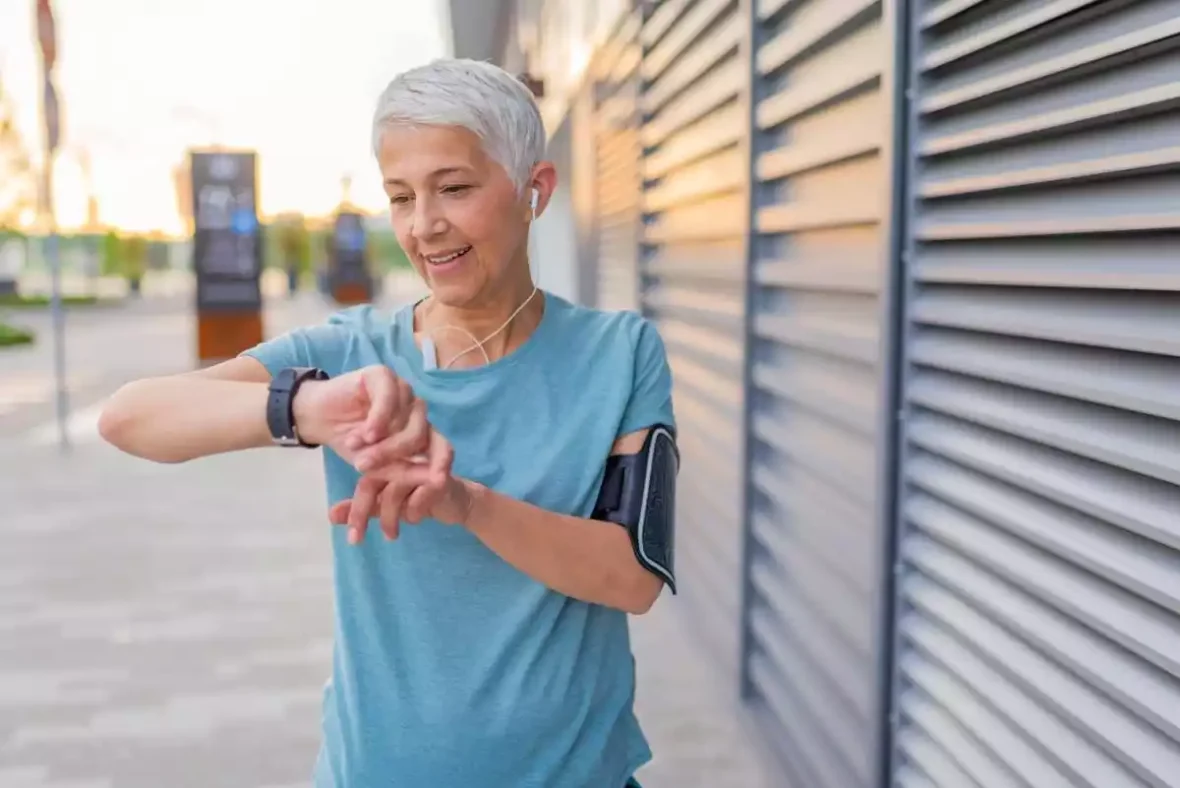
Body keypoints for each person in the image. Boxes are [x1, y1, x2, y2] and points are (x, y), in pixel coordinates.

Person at [98, 57, 678, 788]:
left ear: (535, 189)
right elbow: (130, 418)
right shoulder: (345, 353)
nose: (424, 225)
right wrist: (307, 407)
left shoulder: (620, 353)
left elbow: (631, 578)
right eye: (400, 197)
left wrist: (463, 503)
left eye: (455, 188)